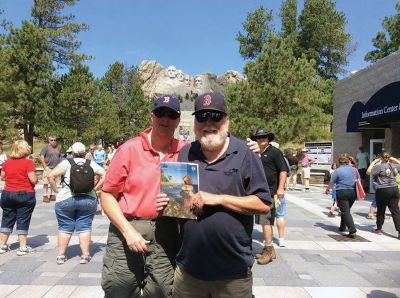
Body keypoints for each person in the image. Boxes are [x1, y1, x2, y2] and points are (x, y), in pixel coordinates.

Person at [168, 92, 271, 298]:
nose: (209, 123)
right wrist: (170, 201)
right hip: (189, 270)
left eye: (216, 116)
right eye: (202, 116)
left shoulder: (245, 153)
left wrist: (218, 199)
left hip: (232, 272)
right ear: (194, 121)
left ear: (227, 121)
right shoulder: (185, 152)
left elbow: (263, 204)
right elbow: (180, 202)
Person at [100, 95, 186, 298]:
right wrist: (128, 232)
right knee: (118, 290)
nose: (165, 119)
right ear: (152, 116)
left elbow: (214, 149)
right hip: (127, 230)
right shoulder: (129, 149)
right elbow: (107, 195)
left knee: (163, 292)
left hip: (166, 232)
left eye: (171, 115)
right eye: (160, 113)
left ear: (178, 120)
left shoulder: (184, 151)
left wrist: (251, 148)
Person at [47, 142, 105, 265]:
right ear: (84, 153)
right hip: (88, 199)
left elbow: (51, 176)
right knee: (84, 226)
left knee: (64, 227)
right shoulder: (91, 163)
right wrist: (96, 188)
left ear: (72, 152)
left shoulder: (66, 163)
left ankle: (61, 256)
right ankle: (85, 255)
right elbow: (105, 174)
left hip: (66, 198)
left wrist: (57, 190)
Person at [251, 127, 288, 266]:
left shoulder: (275, 152)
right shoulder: (255, 152)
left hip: (270, 191)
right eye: (259, 138)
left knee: (265, 220)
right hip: (258, 191)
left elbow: (283, 171)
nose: (261, 140)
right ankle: (269, 249)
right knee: (263, 221)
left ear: (268, 139)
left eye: (264, 138)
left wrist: (280, 188)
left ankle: (269, 249)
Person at [0, 140, 37, 255]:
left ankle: (2, 245)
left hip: (7, 193)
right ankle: (22, 247)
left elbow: (2, 177)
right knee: (23, 218)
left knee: (7, 218)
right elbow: (33, 179)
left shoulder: (7, 162)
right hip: (24, 194)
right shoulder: (28, 163)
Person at [366, 152, 400, 238]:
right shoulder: (394, 165)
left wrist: (374, 162)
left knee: (381, 210)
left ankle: (379, 229)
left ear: (381, 158)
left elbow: (368, 172)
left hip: (383, 189)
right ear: (389, 158)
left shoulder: (379, 166)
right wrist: (394, 159)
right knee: (395, 211)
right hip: (394, 189)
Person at [325, 154, 358, 238]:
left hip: (342, 191)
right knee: (346, 210)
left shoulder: (338, 171)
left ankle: (352, 230)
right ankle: (342, 226)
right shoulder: (354, 170)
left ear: (340, 162)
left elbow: (332, 182)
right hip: (353, 192)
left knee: (345, 211)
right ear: (347, 161)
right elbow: (359, 181)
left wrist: (328, 189)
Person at [40, 136, 61, 203]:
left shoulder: (58, 147)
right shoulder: (46, 147)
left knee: (54, 182)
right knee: (46, 182)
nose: (53, 141)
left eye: (54, 140)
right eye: (51, 140)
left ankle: (52, 195)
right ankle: (45, 195)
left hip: (56, 168)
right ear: (49, 141)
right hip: (48, 167)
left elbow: (60, 156)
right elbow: (42, 156)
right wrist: (45, 166)